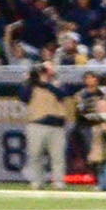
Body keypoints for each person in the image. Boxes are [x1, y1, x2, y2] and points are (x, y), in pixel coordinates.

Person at [28, 53, 74, 190]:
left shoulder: (59, 84)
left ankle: (59, 181)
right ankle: (37, 181)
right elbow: (23, 96)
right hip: (37, 123)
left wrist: (46, 83)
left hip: (57, 124)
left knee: (58, 156)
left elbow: (62, 94)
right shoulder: (31, 85)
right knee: (35, 154)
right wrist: (32, 79)